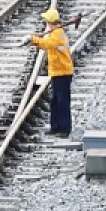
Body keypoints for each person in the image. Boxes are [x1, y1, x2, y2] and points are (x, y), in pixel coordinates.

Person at [28, 8, 73, 136]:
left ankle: (64, 129)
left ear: (50, 22)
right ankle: (55, 127)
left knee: (62, 101)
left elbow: (46, 44)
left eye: (46, 21)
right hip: (57, 72)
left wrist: (33, 39)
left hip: (63, 73)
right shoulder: (54, 32)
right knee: (55, 100)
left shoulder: (58, 34)